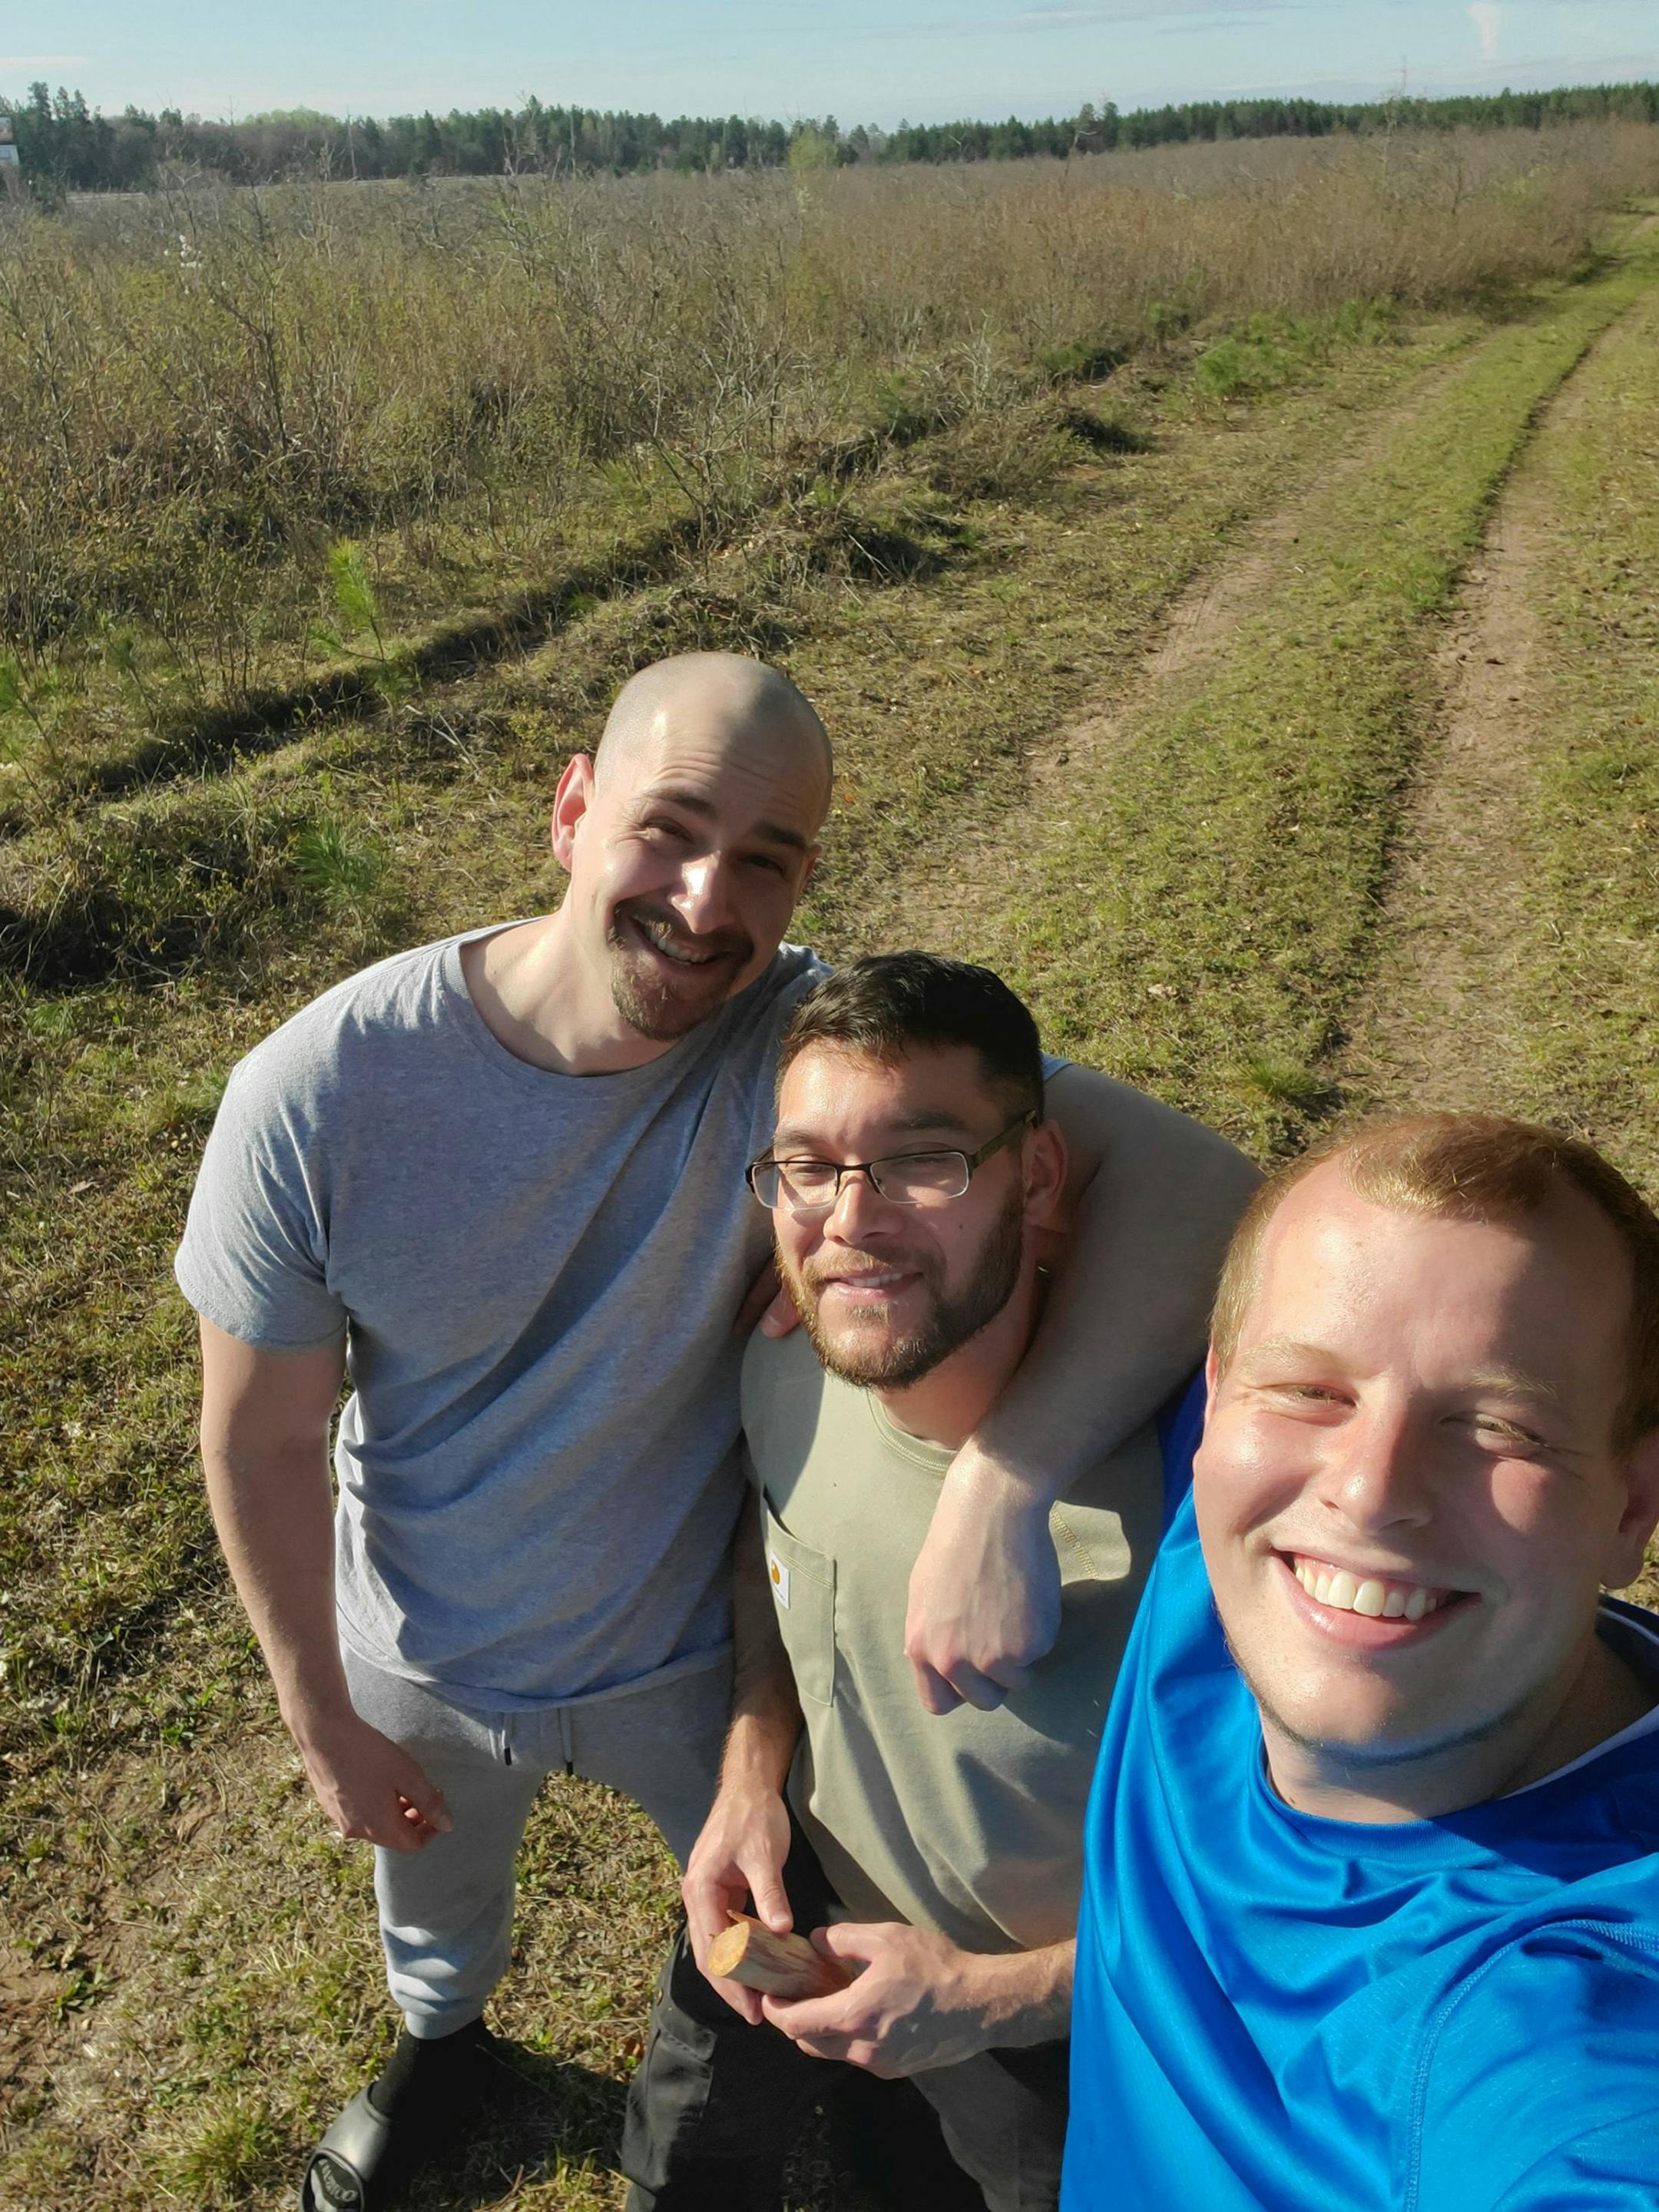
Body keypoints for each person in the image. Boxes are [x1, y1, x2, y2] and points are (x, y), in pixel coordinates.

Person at [175, 652, 1255, 2209]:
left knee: (780, 1933)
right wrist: (315, 1710)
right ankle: (442, 2041)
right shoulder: (320, 1092)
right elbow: (261, 1442)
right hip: (420, 1636)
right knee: (432, 1881)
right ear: (571, 809)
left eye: (767, 859)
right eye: (671, 830)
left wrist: (1002, 1486)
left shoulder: (801, 1048)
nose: (705, 901)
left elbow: (1197, 1191)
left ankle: (872, 2127)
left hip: (699, 1651)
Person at [623, 954, 1213, 2212]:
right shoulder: (785, 1360)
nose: (852, 1220)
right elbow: (771, 1548)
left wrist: (990, 1998)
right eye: (810, 1167)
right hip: (802, 1909)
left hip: (1065, 2038)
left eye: (922, 1161)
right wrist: (746, 1780)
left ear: (1040, 1177)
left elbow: (1302, 1897)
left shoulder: (1196, 1509)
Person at [1064, 1112, 1659, 2212]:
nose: (1369, 1490)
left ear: (1634, 1504)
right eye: (1312, 1393)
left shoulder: (1557, 2013)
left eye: (1499, 1428)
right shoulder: (1221, 1551)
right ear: (1217, 1401)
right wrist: (995, 1483)